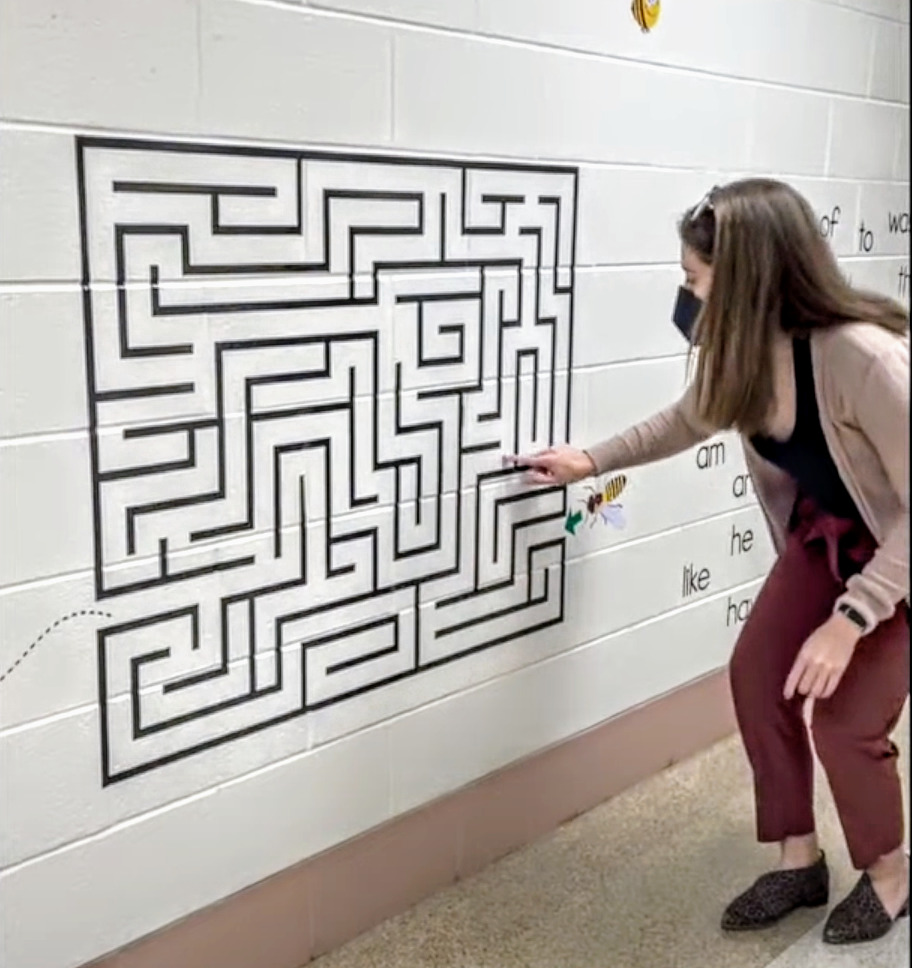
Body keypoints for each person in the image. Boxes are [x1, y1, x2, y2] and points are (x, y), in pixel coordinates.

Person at [510, 178, 909, 946]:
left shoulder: (863, 359)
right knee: (758, 675)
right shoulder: (747, 353)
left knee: (844, 720)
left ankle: (891, 872)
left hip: (896, 558)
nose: (684, 295)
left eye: (693, 279)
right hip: (830, 536)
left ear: (747, 279)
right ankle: (799, 859)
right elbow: (687, 419)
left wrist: (851, 621)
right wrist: (590, 458)